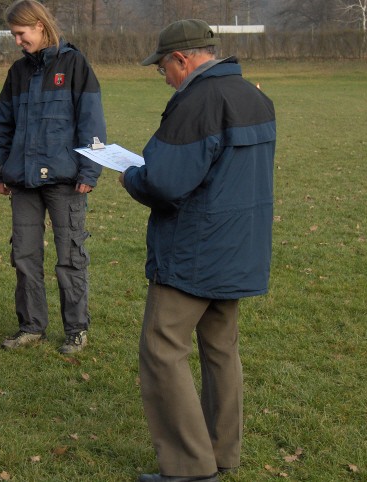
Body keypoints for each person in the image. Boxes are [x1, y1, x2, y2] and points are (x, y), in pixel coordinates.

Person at [119, 19, 276, 482]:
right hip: (239, 245)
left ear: (182, 59)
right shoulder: (254, 96)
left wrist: (129, 174)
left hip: (194, 249)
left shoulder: (196, 102)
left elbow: (164, 183)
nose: (163, 77)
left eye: (163, 68)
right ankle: (221, 452)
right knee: (221, 348)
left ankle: (189, 467)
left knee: (162, 349)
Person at [0, 0, 106, 354]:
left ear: (40, 26)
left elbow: (92, 122)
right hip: (22, 181)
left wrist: (90, 169)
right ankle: (31, 326)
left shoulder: (74, 65)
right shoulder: (18, 72)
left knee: (70, 256)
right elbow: (2, 124)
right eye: (14, 35)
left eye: (20, 34)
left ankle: (76, 329)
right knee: (24, 257)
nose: (17, 41)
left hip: (66, 181)